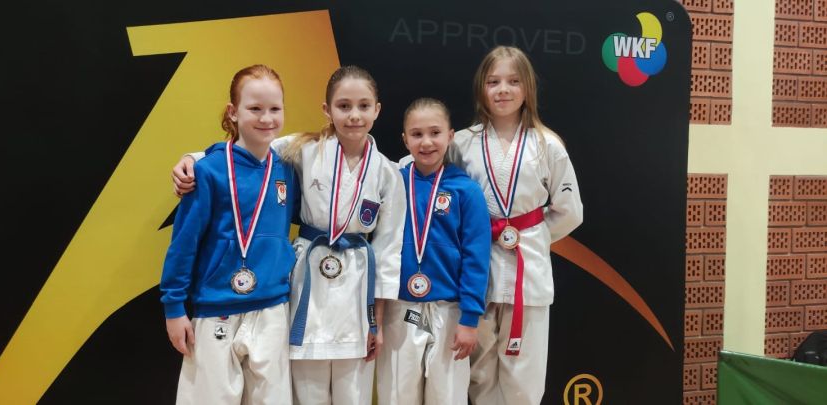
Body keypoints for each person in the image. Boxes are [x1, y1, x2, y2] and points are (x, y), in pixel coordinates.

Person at [172, 65, 406, 404]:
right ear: (327, 110)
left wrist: (377, 322)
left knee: (351, 392)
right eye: (344, 106)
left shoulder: (388, 172)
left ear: (377, 110)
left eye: (363, 106)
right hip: (305, 277)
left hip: (356, 288)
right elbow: (246, 150)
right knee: (301, 390)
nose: (354, 115)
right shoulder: (304, 148)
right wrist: (191, 159)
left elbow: (388, 250)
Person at [160, 64, 299, 404]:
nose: (266, 118)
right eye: (255, 108)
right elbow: (184, 244)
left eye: (275, 109)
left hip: (272, 307)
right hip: (215, 307)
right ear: (233, 112)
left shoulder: (287, 169)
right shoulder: (207, 171)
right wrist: (174, 307)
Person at [453, 46, 584, 405]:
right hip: (477, 272)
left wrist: (529, 236)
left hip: (529, 271)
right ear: (481, 88)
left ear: (528, 88)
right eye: (493, 82)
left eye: (513, 81)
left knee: (524, 377)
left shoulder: (547, 144)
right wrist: (487, 238)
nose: (503, 90)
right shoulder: (462, 143)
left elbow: (570, 211)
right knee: (478, 374)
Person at [376, 98, 490, 405]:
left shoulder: (467, 191)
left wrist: (470, 319)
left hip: (450, 312)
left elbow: (477, 259)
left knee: (447, 397)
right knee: (396, 396)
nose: (426, 142)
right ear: (405, 140)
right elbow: (380, 248)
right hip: (400, 308)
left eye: (435, 133)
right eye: (417, 134)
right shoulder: (393, 184)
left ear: (450, 136)